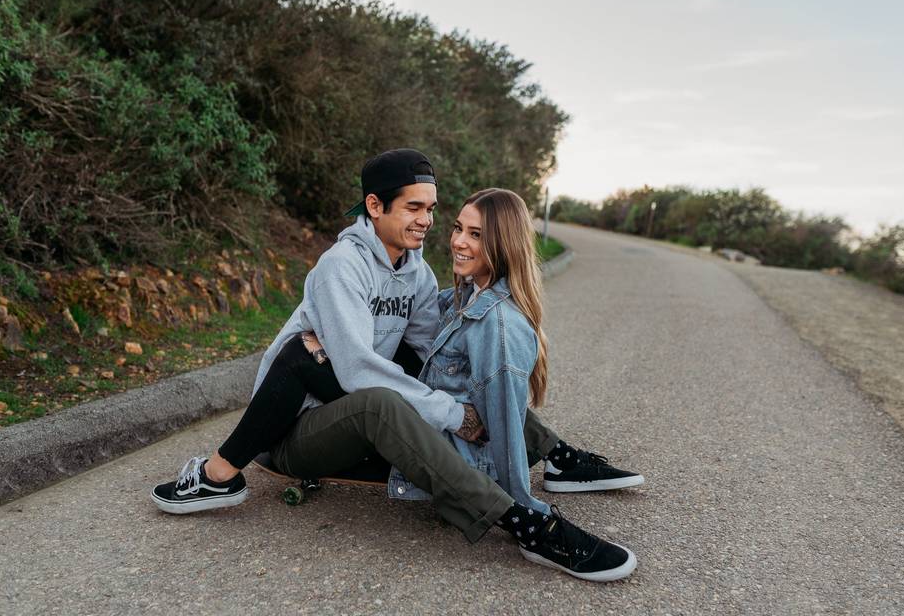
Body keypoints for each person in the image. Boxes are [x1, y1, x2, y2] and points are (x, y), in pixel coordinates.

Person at [151, 150, 641, 581]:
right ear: (375, 206)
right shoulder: (343, 266)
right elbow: (359, 371)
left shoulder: (416, 273)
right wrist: (452, 416)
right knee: (379, 402)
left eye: (431, 209)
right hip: (293, 430)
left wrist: (478, 361)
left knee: (440, 378)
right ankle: (525, 524)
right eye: (413, 207)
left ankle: (555, 456)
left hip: (346, 409)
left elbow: (433, 356)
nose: (427, 220)